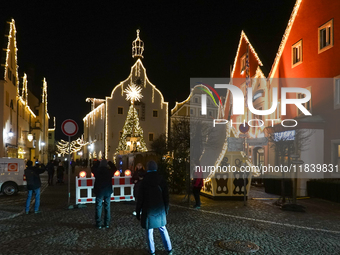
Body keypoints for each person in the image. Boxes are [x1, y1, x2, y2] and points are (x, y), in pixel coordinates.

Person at [136, 160, 172, 255]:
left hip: (148, 209)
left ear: (147, 168)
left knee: (149, 231)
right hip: (160, 208)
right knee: (163, 228)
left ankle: (152, 251)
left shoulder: (144, 181)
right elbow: (166, 196)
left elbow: (140, 198)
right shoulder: (161, 179)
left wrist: (138, 211)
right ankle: (169, 249)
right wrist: (166, 209)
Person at [93, 159, 115, 229]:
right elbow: (115, 168)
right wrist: (110, 162)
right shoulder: (109, 171)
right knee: (107, 207)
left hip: (99, 190)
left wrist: (97, 162)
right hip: (108, 190)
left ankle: (98, 223)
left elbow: (92, 168)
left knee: (98, 206)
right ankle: (107, 223)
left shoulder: (97, 171)